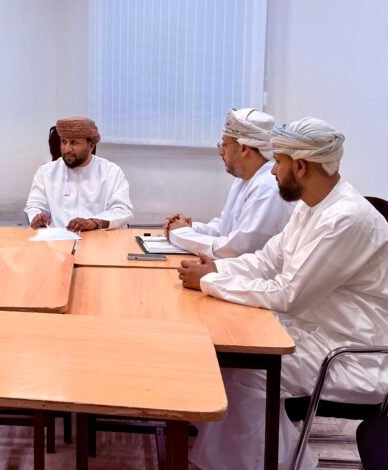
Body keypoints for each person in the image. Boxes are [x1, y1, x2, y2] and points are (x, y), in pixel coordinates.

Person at [177, 118, 388, 469]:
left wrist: (209, 282)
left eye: (277, 162)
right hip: (312, 332)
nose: (272, 171)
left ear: (301, 166)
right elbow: (268, 260)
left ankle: (278, 463)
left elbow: (289, 294)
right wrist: (218, 269)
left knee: (244, 371)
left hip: (350, 353)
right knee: (224, 356)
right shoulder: (312, 205)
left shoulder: (346, 218)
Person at [164, 108, 294, 258]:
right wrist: (191, 227)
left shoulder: (268, 186)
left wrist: (181, 233)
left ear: (243, 148)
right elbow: (225, 228)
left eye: (224, 144)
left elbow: (236, 250)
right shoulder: (245, 178)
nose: (221, 151)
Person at [25, 116, 133, 232]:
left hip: (98, 238)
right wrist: (37, 217)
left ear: (91, 145)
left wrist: (95, 222)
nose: (67, 149)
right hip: (57, 238)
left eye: (74, 143)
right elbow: (34, 206)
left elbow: (123, 209)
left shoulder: (111, 172)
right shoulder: (46, 173)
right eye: (63, 142)